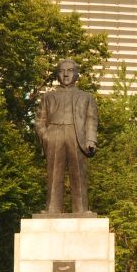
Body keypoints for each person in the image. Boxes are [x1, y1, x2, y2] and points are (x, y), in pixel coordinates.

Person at [36, 59, 98, 213]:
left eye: (70, 70)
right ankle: (52, 209)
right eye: (62, 71)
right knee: (53, 174)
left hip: (77, 136)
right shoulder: (48, 97)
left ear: (77, 74)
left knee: (79, 174)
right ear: (57, 75)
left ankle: (81, 209)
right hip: (54, 134)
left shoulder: (86, 97)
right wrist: (46, 135)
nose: (65, 74)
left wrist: (90, 139)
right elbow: (40, 120)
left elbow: (91, 119)